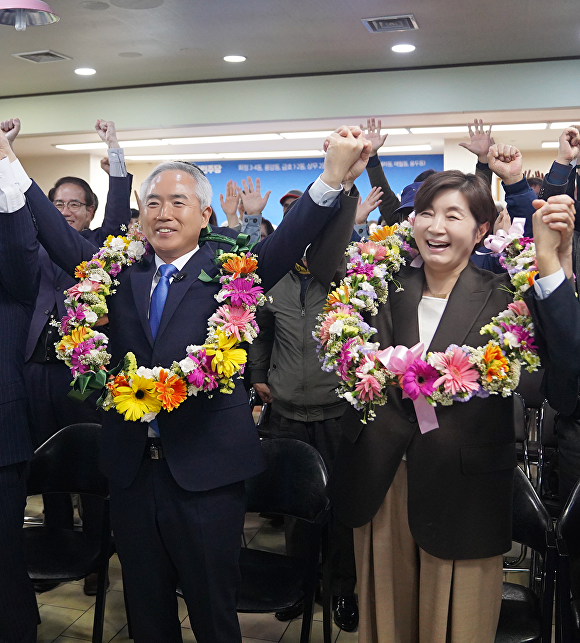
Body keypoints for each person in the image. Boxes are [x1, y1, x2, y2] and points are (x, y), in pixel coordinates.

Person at [7, 125, 370, 643]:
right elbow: (54, 232)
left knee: (211, 608)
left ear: (205, 215)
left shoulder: (230, 273)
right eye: (153, 202)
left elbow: (290, 240)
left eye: (179, 202)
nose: (164, 212)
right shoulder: (116, 272)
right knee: (146, 608)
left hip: (206, 476)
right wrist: (7, 158)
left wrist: (333, 176)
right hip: (132, 474)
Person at [306, 164, 573, 643]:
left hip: (465, 495)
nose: (436, 226)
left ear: (482, 230)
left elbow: (565, 380)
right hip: (382, 487)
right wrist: (339, 179)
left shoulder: (506, 299)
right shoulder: (380, 286)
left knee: (459, 628)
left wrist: (558, 265)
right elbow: (322, 265)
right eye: (426, 213)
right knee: (386, 627)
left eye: (453, 215)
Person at [1, 117, 132, 596]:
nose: (65, 211)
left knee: (90, 466)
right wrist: (7, 151)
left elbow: (119, 214)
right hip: (32, 368)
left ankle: (97, 554)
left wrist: (115, 153)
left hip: (82, 375)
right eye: (58, 204)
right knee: (44, 465)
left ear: (89, 211)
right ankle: (54, 544)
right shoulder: (30, 249)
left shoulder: (96, 248)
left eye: (75, 204)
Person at [249, 248, 359, 631]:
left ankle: (342, 588)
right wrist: (258, 372)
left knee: (341, 507)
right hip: (287, 410)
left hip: (336, 411)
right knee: (297, 510)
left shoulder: (346, 278)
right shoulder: (275, 276)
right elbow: (261, 331)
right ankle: (300, 585)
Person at [0, 129, 40, 642]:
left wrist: (5, 163)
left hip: (1, 440)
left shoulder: (12, 281)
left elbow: (18, 244)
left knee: (4, 562)